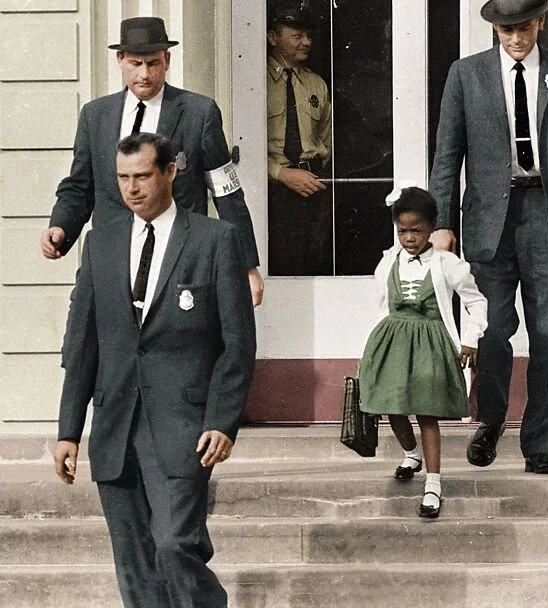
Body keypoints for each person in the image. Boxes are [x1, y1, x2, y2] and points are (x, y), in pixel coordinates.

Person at [53, 133, 256, 608]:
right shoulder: (99, 244)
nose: (132, 188)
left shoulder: (214, 239)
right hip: (114, 426)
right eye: (123, 178)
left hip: (184, 428)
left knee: (175, 545)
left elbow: (237, 345)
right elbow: (82, 344)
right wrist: (68, 430)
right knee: (134, 564)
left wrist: (222, 422)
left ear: (170, 172)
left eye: (142, 176)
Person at [429, 0, 548, 474]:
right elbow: (447, 155)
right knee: (491, 328)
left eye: (523, 28)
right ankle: (490, 420)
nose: (514, 39)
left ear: (540, 23)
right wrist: (442, 224)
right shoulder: (465, 75)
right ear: (494, 29)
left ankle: (542, 443)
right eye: (505, 30)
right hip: (489, 220)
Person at [40, 16, 264, 307]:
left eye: (153, 63)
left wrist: (247, 266)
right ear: (120, 59)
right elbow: (79, 187)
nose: (144, 74)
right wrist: (61, 227)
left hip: (179, 263)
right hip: (111, 263)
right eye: (135, 63)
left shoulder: (199, 113)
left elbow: (226, 192)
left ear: (167, 60)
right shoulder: (95, 116)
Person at [359, 187, 487, 518]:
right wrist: (372, 351)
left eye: (417, 230)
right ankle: (411, 453)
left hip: (431, 344)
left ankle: (433, 484)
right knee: (393, 406)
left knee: (427, 412)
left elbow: (476, 301)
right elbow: (380, 305)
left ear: (431, 228)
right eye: (403, 231)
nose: (410, 238)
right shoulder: (388, 263)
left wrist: (471, 338)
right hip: (393, 342)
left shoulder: (447, 264)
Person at [267, 2, 333, 275]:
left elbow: (325, 141)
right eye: (297, 36)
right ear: (272, 37)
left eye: (308, 35)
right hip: (274, 191)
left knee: (313, 265)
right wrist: (280, 173)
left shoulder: (316, 84)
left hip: (312, 188)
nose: (306, 42)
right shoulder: (255, 82)